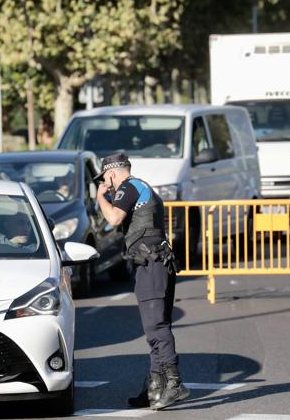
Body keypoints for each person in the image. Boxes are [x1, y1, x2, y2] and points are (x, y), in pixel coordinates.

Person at [94, 152, 188, 410]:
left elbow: (113, 218)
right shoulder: (144, 187)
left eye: (105, 180)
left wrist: (101, 197)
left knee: (156, 327)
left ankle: (174, 384)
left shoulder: (128, 187)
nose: (105, 184)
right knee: (156, 327)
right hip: (159, 263)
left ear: (111, 173)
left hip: (151, 265)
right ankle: (154, 387)